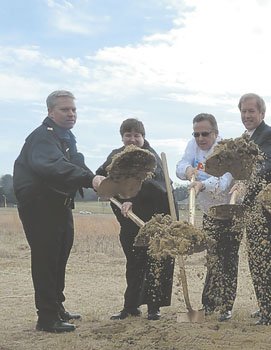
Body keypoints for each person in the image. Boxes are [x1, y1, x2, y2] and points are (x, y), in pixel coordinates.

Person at [13, 90, 105, 332]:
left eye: (73, 109)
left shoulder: (66, 138)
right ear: (50, 112)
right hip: (40, 207)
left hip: (60, 206)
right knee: (46, 260)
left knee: (59, 257)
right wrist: (89, 178)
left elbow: (76, 163)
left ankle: (57, 307)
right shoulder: (42, 138)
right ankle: (46, 317)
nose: (71, 113)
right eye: (65, 109)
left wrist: (98, 179)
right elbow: (54, 166)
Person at [96, 119, 175, 321]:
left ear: (143, 137)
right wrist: (97, 181)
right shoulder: (116, 156)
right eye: (128, 135)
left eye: (136, 135)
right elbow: (102, 177)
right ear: (122, 137)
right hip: (129, 222)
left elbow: (158, 187)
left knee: (156, 263)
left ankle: (154, 307)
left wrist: (133, 200)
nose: (132, 139)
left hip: (154, 219)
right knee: (133, 264)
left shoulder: (150, 158)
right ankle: (130, 306)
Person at [176, 113, 240, 322]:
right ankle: (209, 304)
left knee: (228, 259)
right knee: (213, 258)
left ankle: (226, 306)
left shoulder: (225, 150)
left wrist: (203, 184)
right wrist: (188, 170)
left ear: (215, 132)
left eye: (205, 134)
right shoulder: (192, 146)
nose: (200, 138)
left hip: (229, 210)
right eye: (197, 134)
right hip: (209, 212)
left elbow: (223, 183)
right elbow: (180, 166)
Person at [238, 93, 271, 325]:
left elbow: (268, 162)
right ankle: (264, 305)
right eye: (244, 111)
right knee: (256, 259)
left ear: (262, 113)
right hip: (254, 210)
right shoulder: (244, 139)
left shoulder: (268, 135)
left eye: (252, 111)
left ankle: (270, 312)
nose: (247, 115)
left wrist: (249, 174)